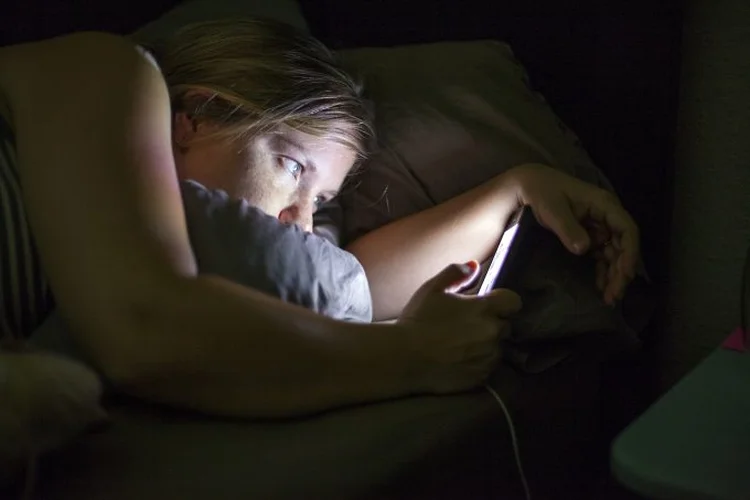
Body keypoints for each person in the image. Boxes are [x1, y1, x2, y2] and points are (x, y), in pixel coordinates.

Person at [0, 18, 639, 418]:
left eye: (323, 207)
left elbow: (345, 285)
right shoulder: (104, 71)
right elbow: (144, 328)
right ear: (194, 117)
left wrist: (515, 191)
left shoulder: (142, 239)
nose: (299, 223)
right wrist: (412, 355)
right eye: (294, 167)